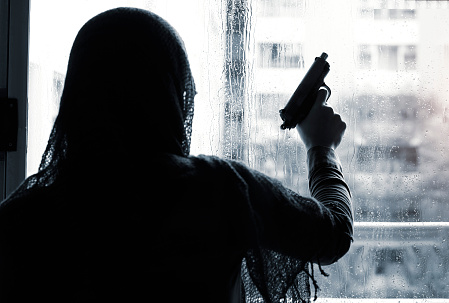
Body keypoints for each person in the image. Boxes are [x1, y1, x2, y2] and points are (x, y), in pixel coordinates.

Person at [0, 7, 352, 303]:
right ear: (172, 97)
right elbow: (333, 235)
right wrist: (321, 148)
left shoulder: (19, 219)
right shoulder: (220, 189)